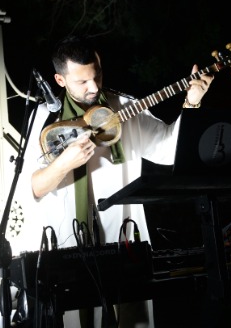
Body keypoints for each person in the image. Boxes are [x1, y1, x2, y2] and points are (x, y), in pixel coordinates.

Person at [17, 35, 214, 328]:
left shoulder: (123, 107)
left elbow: (169, 150)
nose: (94, 87)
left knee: (131, 319)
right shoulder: (45, 118)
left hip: (125, 241)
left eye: (97, 76)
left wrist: (192, 102)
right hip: (70, 248)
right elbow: (32, 188)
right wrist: (64, 164)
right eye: (82, 81)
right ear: (60, 79)